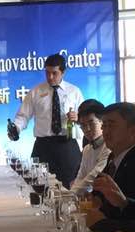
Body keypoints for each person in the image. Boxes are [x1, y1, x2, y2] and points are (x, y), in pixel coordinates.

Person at [7, 52, 84, 185]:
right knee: (39, 185)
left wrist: (78, 117)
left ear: (63, 72)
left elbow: (84, 116)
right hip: (43, 146)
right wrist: (16, 129)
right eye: (47, 73)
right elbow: (23, 116)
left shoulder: (74, 92)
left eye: (54, 73)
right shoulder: (35, 92)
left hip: (67, 144)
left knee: (72, 185)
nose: (50, 77)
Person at [89, 102, 135, 232]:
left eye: (111, 125)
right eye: (104, 126)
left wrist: (102, 222)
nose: (105, 132)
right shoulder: (114, 156)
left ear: (134, 130)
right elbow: (100, 196)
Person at [68, 98, 109, 194]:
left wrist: (71, 194)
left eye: (91, 123)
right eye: (83, 125)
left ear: (102, 121)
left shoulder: (109, 146)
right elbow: (80, 177)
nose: (87, 129)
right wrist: (71, 194)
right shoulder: (87, 149)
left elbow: (93, 176)